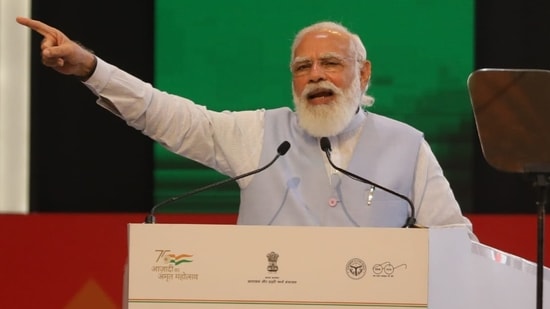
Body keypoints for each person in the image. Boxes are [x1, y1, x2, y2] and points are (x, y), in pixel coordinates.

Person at [16, 17, 475, 234]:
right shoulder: (259, 135)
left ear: (364, 73)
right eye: (303, 66)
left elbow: (452, 237)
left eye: (331, 63)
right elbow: (165, 113)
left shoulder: (407, 145)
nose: (316, 74)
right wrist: (91, 69)